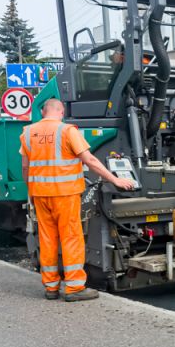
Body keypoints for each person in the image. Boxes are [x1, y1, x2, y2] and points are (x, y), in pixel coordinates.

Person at [20, 98, 136, 302]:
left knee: (47, 239)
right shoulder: (67, 131)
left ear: (43, 112)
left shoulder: (28, 132)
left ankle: (51, 287)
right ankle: (74, 287)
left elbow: (25, 167)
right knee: (71, 237)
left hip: (40, 194)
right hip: (64, 194)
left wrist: (31, 191)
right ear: (61, 111)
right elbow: (89, 160)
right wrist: (115, 179)